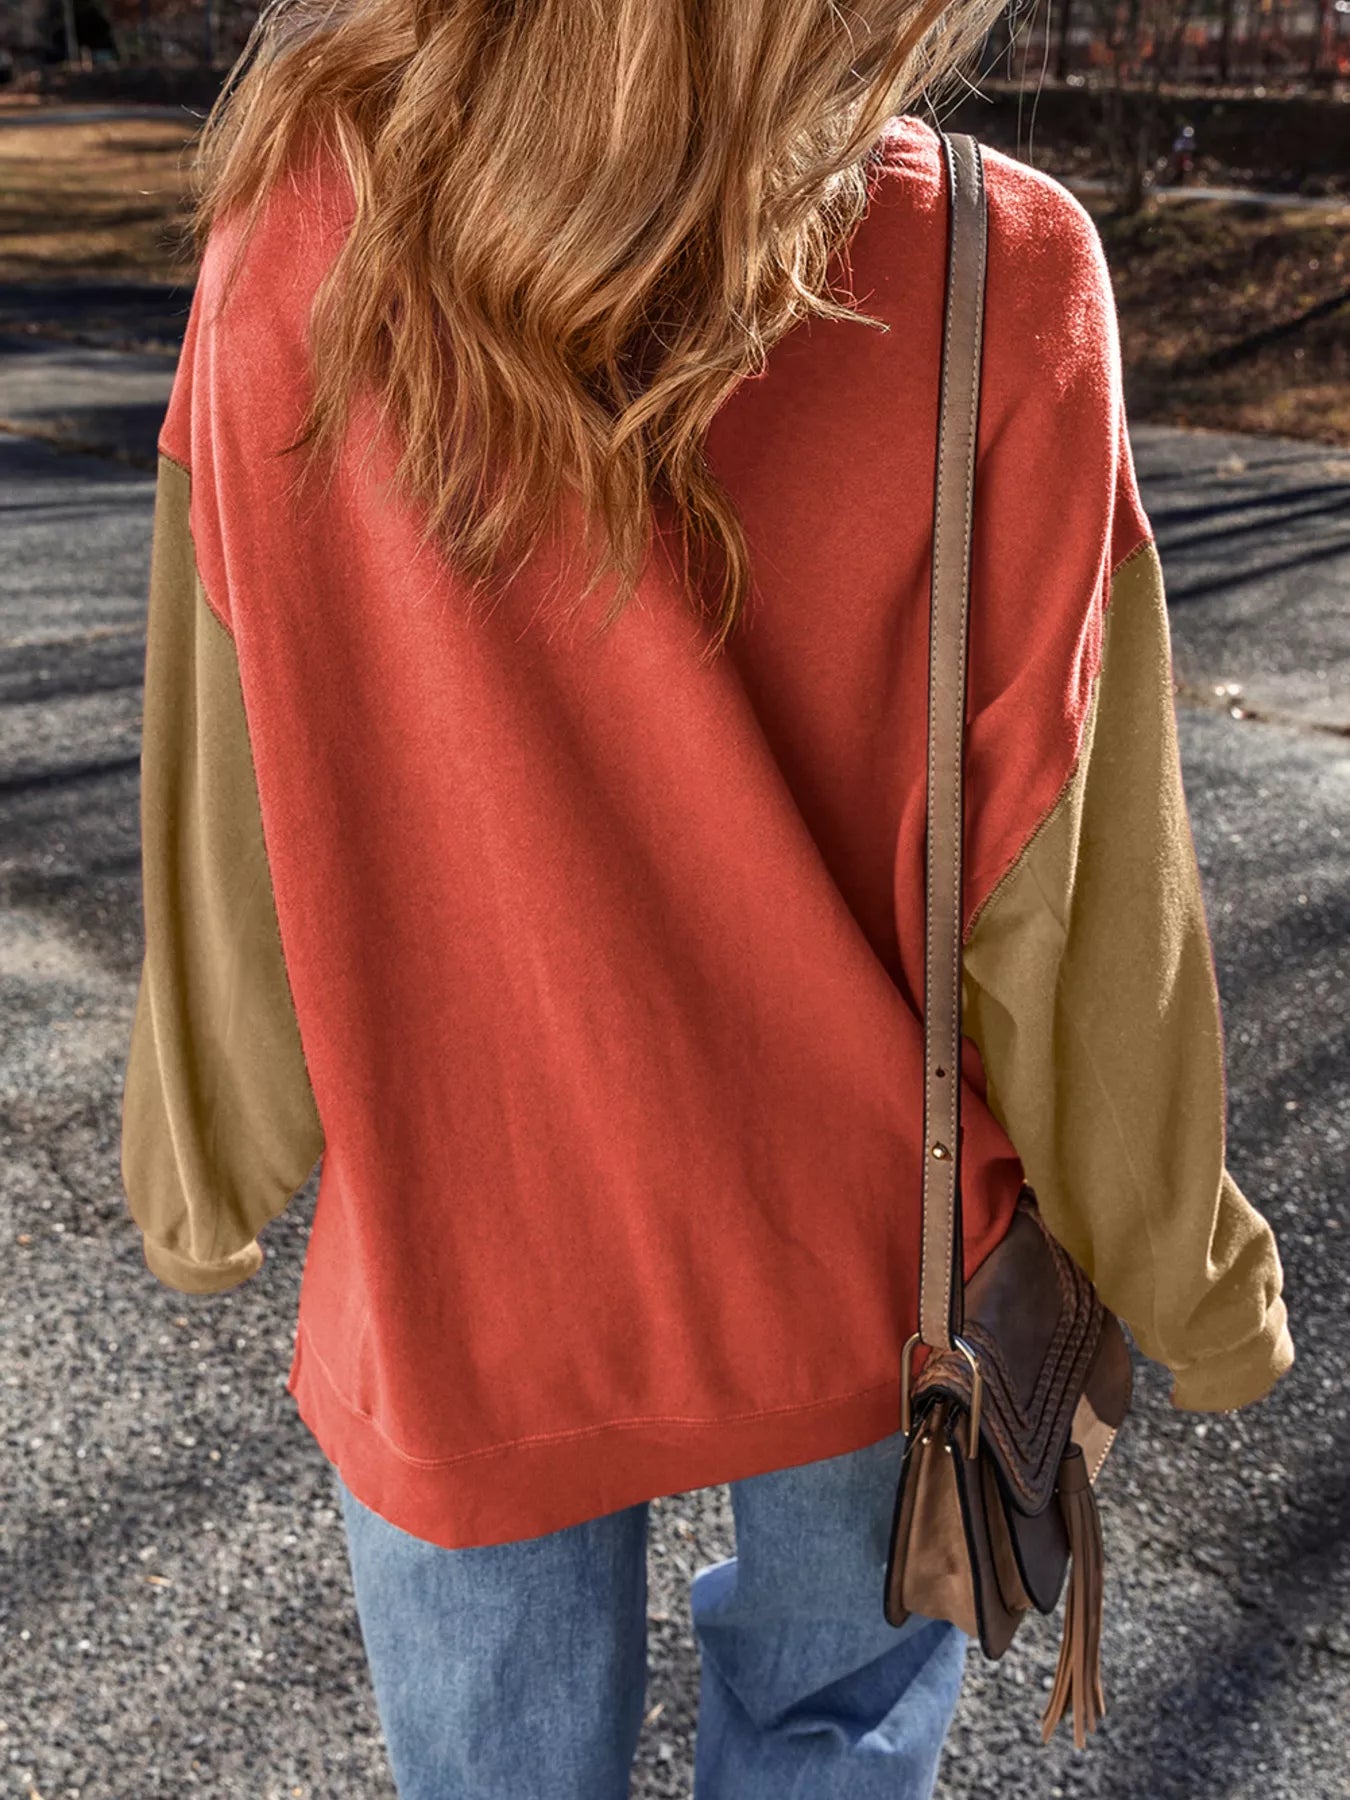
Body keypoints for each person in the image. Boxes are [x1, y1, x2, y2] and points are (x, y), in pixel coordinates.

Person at [117, 3, 1295, 1795]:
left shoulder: (296, 227)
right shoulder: (996, 267)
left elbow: (241, 772)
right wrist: (1187, 1280)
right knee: (827, 1744)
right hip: (870, 1267)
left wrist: (201, 1166)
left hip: (455, 1259)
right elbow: (1068, 886)